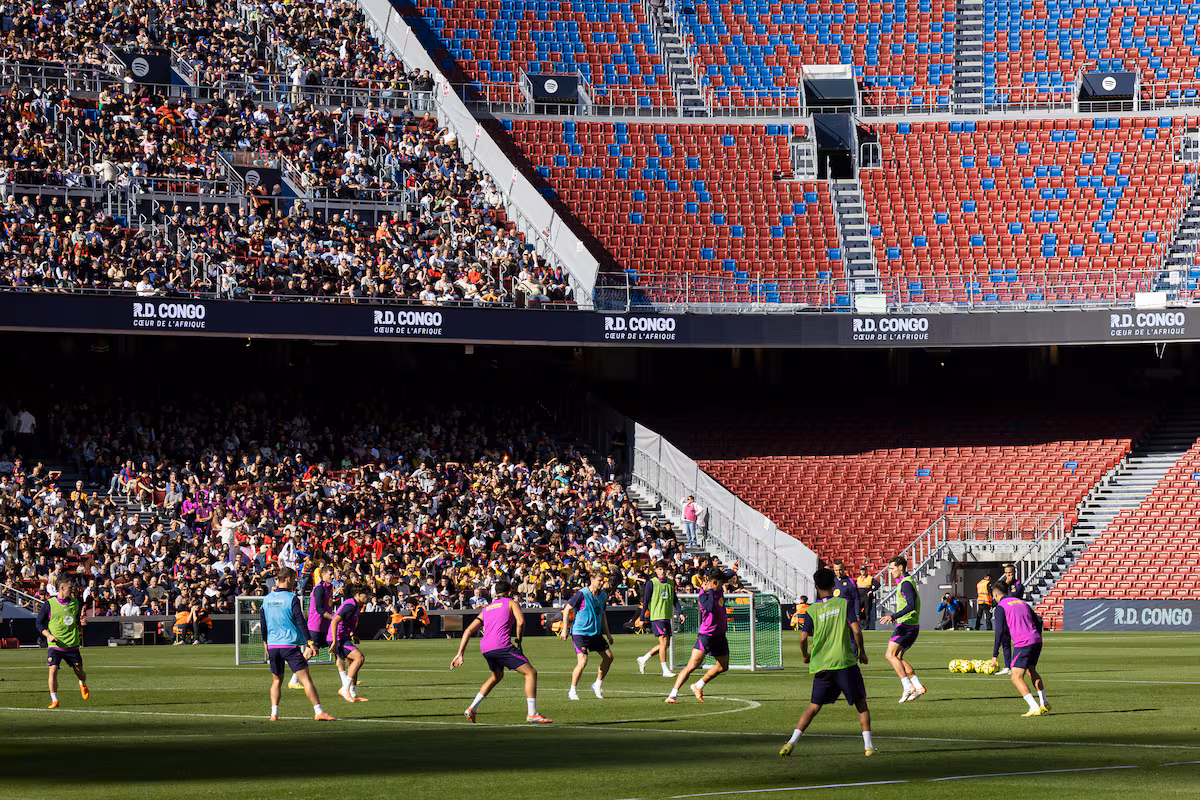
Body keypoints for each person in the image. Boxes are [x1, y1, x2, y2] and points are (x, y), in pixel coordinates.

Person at [779, 567, 874, 758]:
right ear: (834, 584)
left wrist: (805, 656)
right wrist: (862, 653)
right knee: (861, 703)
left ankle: (791, 742)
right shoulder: (843, 604)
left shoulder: (812, 609)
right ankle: (868, 746)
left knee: (814, 707)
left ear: (815, 586)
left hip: (821, 664)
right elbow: (856, 630)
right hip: (844, 662)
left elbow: (803, 637)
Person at [451, 580, 552, 724]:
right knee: (531, 673)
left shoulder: (486, 609)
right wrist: (519, 638)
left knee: (496, 676)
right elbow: (521, 622)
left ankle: (472, 708)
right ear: (509, 592)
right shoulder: (511, 603)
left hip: (486, 648)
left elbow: (468, 630)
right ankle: (532, 713)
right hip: (502, 646)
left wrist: (460, 653)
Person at [260, 566, 335, 722]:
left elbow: (263, 623)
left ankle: (274, 713)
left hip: (273, 646)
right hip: (289, 645)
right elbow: (300, 621)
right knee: (306, 680)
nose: (295, 582)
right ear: (288, 579)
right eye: (294, 579)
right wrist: (310, 641)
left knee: (276, 681)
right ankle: (319, 711)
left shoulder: (266, 599)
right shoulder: (291, 598)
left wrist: (265, 643)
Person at [665, 560, 739, 704]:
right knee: (691, 666)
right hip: (707, 636)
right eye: (717, 583)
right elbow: (709, 607)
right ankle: (672, 695)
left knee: (723, 666)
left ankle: (698, 685)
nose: (720, 585)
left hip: (720, 635)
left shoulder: (717, 585)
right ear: (713, 582)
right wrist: (709, 589)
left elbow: (728, 574)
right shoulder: (703, 595)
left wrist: (733, 569)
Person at [990, 582, 1049, 716]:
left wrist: (995, 654)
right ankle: (1044, 702)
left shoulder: (1000, 607)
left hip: (1023, 643)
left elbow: (999, 631)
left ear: (996, 594)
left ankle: (1034, 707)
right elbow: (1039, 621)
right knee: (1031, 671)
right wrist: (1036, 636)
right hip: (1036, 640)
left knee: (1016, 677)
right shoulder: (1022, 602)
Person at [560, 570, 614, 700]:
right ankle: (572, 690)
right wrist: (564, 629)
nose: (601, 583)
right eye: (599, 580)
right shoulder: (582, 594)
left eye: (603, 580)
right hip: (580, 633)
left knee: (609, 658)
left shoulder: (603, 596)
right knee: (583, 661)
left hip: (595, 633)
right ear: (592, 579)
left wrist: (608, 633)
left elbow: (602, 614)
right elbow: (567, 609)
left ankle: (597, 684)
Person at [878, 555, 925, 703]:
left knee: (890, 655)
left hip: (906, 626)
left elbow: (911, 605)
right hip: (909, 625)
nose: (890, 571)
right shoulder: (906, 581)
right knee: (897, 657)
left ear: (900, 567)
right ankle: (918, 686)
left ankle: (907, 686)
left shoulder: (905, 583)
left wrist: (894, 616)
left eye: (892, 568)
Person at [38, 576, 89, 709]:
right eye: (70, 588)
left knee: (79, 672)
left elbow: (77, 620)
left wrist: (82, 622)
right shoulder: (49, 604)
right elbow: (38, 623)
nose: (72, 591)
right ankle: (54, 700)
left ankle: (82, 683)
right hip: (55, 646)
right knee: (53, 670)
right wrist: (48, 635)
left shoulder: (75, 603)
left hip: (72, 645)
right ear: (61, 588)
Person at [289, 560, 334, 690]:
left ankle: (347, 681)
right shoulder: (319, 589)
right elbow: (320, 610)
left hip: (325, 626)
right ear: (323, 574)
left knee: (338, 649)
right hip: (317, 626)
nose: (332, 576)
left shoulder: (328, 588)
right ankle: (293, 679)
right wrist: (335, 618)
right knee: (308, 654)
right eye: (330, 574)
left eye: (333, 574)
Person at [637, 561, 682, 678]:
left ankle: (644, 658)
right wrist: (642, 618)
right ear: (655, 570)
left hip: (667, 617)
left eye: (663, 569)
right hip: (657, 616)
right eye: (660, 569)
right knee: (663, 642)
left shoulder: (671, 583)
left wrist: (680, 612)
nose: (662, 572)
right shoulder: (651, 583)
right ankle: (664, 670)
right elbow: (645, 602)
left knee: (665, 645)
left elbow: (675, 600)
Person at [330, 585, 372, 703]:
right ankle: (344, 689)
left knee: (353, 664)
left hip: (343, 637)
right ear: (358, 594)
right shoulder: (351, 605)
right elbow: (334, 621)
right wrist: (334, 641)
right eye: (366, 594)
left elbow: (347, 623)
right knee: (359, 658)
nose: (368, 597)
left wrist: (352, 635)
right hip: (338, 638)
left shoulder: (356, 605)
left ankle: (352, 694)